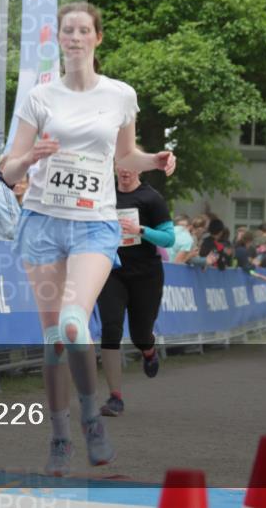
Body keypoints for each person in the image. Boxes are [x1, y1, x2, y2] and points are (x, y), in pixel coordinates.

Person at [1, 2, 176, 476]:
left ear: (98, 38)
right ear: (59, 39)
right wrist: (30, 157)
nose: (75, 37)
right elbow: (8, 167)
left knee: (76, 324)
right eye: (67, 31)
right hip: (40, 222)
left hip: (94, 224)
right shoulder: (41, 98)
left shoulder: (120, 95)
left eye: (83, 30)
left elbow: (126, 157)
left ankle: (90, 418)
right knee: (56, 337)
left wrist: (154, 161)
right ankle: (60, 435)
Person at [97, 165, 174, 418]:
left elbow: (169, 238)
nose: (125, 172)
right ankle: (115, 396)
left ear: (139, 168)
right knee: (111, 328)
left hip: (146, 275)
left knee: (140, 334)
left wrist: (139, 230)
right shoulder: (104, 194)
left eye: (130, 167)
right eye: (120, 167)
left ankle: (148, 351)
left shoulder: (152, 198)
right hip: (112, 271)